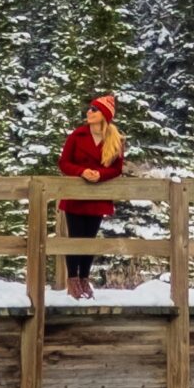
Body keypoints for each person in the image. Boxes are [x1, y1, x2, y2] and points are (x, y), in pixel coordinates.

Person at [55, 92, 126, 298]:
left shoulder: (115, 140)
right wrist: (82, 172)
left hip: (98, 195)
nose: (89, 111)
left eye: (94, 109)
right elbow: (64, 162)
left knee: (90, 239)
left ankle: (85, 279)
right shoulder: (77, 135)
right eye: (89, 108)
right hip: (76, 194)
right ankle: (73, 280)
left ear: (104, 114)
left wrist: (100, 175)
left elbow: (116, 168)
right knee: (75, 238)